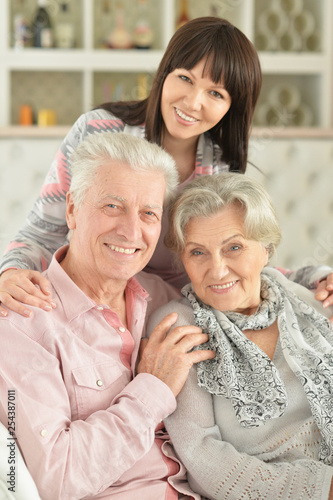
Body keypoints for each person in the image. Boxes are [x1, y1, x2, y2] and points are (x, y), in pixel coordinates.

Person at [1, 16, 331, 316]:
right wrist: (10, 273)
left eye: (215, 93)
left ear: (232, 106)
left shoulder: (220, 166)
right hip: (90, 296)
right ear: (164, 74)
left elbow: (238, 259)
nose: (192, 102)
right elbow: (40, 235)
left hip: (173, 307)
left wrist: (312, 279)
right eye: (185, 78)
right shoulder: (98, 130)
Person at [0, 133, 215, 500]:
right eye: (112, 206)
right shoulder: (21, 322)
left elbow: (240, 278)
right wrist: (152, 387)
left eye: (148, 213)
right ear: (71, 210)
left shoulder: (165, 298)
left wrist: (315, 281)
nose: (131, 231)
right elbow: (56, 478)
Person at [147, 172, 333, 500]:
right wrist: (320, 489)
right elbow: (200, 456)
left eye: (233, 247)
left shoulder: (307, 296)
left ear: (266, 248)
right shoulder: (180, 326)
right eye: (198, 252)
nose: (217, 270)